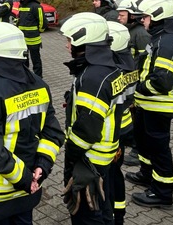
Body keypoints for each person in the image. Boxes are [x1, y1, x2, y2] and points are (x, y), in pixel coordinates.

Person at [0, 22, 65, 225]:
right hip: (29, 187)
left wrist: (23, 179)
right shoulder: (40, 85)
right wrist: (42, 167)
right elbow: (53, 133)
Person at [60, 12, 124, 225]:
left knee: (88, 216)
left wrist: (71, 154)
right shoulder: (109, 68)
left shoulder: (92, 77)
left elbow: (87, 130)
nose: (67, 46)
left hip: (89, 159)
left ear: (83, 41)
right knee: (102, 205)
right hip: (104, 156)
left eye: (70, 40)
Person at [126, 0, 173, 210]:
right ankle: (146, 174)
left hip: (158, 105)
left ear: (158, 17)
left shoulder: (168, 43)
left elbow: (162, 81)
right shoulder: (162, 38)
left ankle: (162, 193)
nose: (143, 21)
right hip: (147, 104)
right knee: (144, 143)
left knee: (159, 149)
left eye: (146, 17)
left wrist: (138, 88)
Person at [106, 21, 136, 225]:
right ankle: (119, 215)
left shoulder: (115, 69)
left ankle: (111, 215)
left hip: (112, 132)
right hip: (124, 128)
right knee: (116, 174)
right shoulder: (129, 61)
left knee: (110, 176)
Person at [116, 0, 151, 167]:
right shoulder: (128, 31)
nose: (118, 18)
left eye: (122, 15)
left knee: (137, 118)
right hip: (128, 81)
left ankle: (138, 150)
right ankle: (133, 143)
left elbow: (145, 61)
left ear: (132, 16)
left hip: (137, 82)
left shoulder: (141, 34)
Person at [16, 0, 47, 77]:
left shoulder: (36, 7)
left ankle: (38, 77)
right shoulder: (21, 6)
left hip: (34, 39)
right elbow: (19, 19)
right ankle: (26, 76)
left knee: (36, 59)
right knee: (24, 59)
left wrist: (39, 31)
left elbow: (42, 22)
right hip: (22, 39)